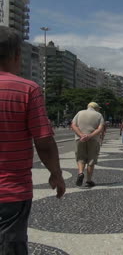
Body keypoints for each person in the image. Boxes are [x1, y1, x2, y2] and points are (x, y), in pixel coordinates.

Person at [0, 27, 66, 253]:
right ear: (17, 55)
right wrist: (56, 174)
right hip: (10, 190)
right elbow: (44, 140)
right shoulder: (27, 89)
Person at [71, 102, 105, 187]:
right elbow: (100, 129)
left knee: (80, 157)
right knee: (91, 159)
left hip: (79, 139)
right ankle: (88, 180)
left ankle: (80, 173)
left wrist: (81, 135)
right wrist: (89, 136)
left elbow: (73, 125)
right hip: (93, 140)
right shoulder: (99, 115)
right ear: (96, 108)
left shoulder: (79, 112)